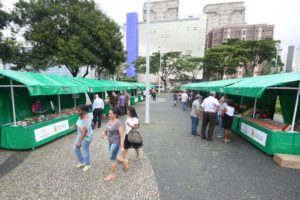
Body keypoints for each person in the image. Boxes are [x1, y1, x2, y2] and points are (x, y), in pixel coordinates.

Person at [101, 108, 127, 181]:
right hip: (110, 142)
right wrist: (104, 132)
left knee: (112, 158)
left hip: (116, 143)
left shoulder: (118, 122)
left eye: (110, 114)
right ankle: (124, 161)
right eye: (108, 113)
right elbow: (108, 129)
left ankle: (112, 174)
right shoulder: (110, 121)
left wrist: (122, 146)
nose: (108, 115)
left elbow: (122, 135)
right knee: (113, 156)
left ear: (115, 115)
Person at [73, 105, 93, 172]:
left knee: (85, 150)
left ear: (84, 111)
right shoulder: (80, 116)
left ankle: (88, 164)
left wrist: (79, 141)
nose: (77, 112)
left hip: (86, 137)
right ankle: (82, 162)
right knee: (75, 149)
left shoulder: (86, 118)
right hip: (80, 135)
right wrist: (75, 125)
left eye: (79, 111)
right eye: (77, 110)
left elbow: (85, 131)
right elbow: (78, 122)